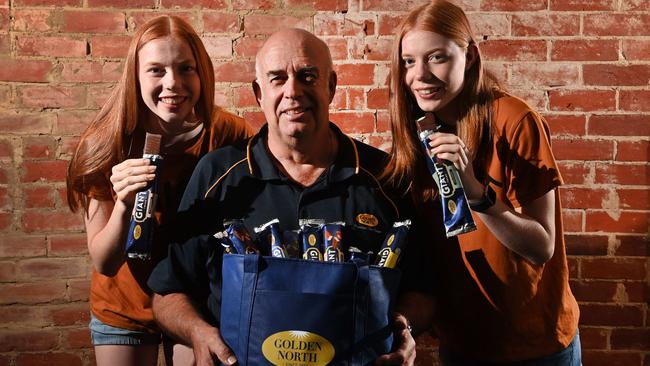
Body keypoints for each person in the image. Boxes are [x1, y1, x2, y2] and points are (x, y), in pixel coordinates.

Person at [147, 28, 436, 366]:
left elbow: (423, 290)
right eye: (277, 79)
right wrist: (197, 330)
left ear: (331, 86)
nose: (292, 92)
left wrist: (405, 327)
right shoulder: (217, 175)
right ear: (259, 93)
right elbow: (167, 293)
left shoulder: (385, 177)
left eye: (307, 76)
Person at [383, 1, 581, 365]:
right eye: (409, 61)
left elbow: (542, 246)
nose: (420, 75)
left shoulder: (515, 121)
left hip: (535, 347)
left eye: (437, 57)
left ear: (470, 56)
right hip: (462, 344)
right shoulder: (416, 131)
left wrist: (476, 193)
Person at [66, 15, 252, 366]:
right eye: (156, 70)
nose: (173, 83)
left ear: (202, 74)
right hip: (125, 307)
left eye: (186, 68)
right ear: (135, 76)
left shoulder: (228, 133)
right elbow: (104, 262)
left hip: (196, 306)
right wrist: (124, 203)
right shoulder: (106, 143)